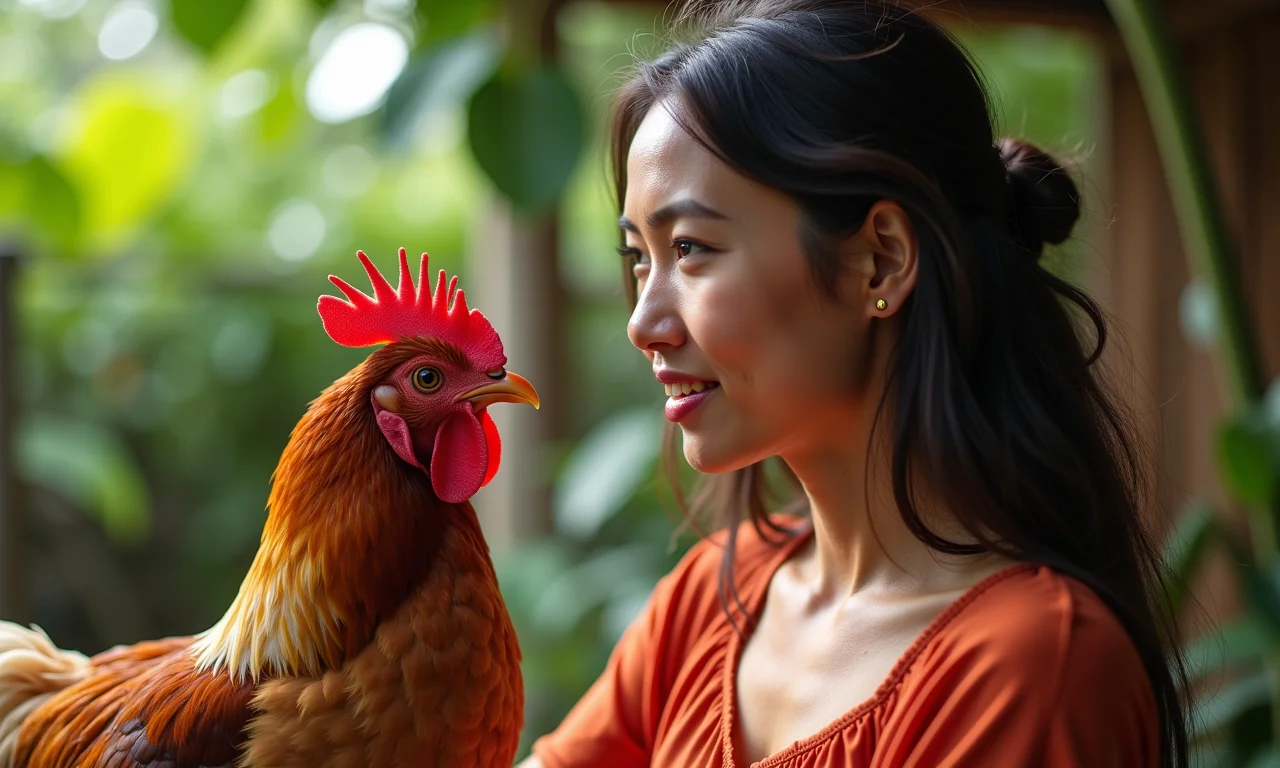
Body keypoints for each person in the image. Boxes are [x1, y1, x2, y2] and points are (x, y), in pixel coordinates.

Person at [519, 0, 1188, 765]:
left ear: (882, 260)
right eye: (639, 257)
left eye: (694, 249)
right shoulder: (707, 601)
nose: (644, 321)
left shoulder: (1027, 664)